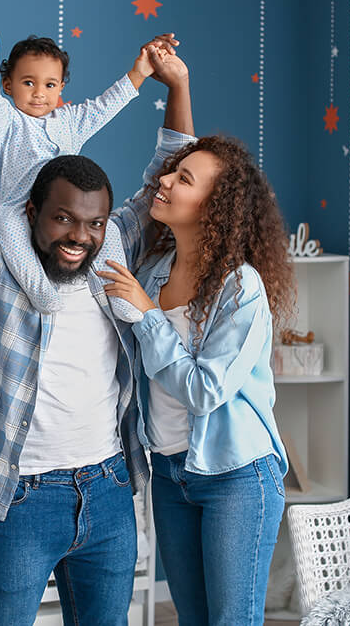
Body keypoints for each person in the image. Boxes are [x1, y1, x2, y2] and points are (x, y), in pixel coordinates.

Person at [0, 18, 195, 625]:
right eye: (62, 220)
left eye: (92, 223)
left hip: (109, 491)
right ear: (32, 211)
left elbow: (166, 188)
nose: (78, 237)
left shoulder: (114, 255)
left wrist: (177, 86)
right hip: (19, 499)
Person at [100, 134, 296, 625]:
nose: (163, 181)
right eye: (173, 171)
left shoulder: (240, 287)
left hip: (237, 477)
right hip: (169, 473)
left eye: (183, 179)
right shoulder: (151, 275)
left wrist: (149, 318)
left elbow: (205, 389)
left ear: (214, 207)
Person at [0, 27, 153, 322]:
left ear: (60, 88)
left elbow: (106, 106)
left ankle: (120, 294)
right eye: (28, 83)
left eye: (49, 85)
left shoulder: (69, 121)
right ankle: (42, 292)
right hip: (20, 209)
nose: (39, 93)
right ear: (8, 85)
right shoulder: (8, 122)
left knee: (107, 228)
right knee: (5, 224)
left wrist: (140, 72)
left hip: (71, 212)